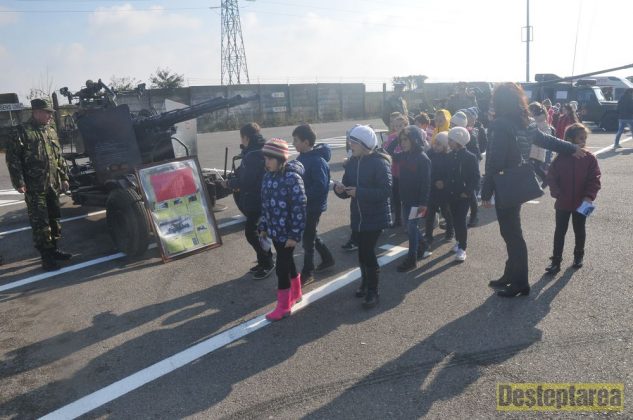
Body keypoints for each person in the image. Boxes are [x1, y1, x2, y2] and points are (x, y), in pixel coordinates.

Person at [481, 83, 586, 298]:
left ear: (500, 101)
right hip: (517, 181)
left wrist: (485, 192)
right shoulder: (525, 122)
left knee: (512, 234)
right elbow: (547, 140)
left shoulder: (499, 124)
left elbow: (494, 161)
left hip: (505, 183)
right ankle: (510, 274)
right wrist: (572, 147)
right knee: (512, 232)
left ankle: (520, 282)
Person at [5, 98, 72, 271]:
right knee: (40, 223)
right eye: (47, 113)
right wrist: (19, 182)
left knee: (54, 218)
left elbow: (58, 157)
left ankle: (54, 250)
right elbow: (13, 159)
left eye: (51, 113)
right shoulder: (21, 132)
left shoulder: (50, 130)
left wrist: (64, 177)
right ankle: (46, 258)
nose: (50, 116)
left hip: (52, 184)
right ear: (36, 112)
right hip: (34, 187)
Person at [334, 125, 392, 309]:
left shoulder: (379, 163)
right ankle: (365, 284)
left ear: (365, 144)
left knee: (367, 252)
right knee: (362, 253)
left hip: (375, 217)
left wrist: (359, 192)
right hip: (358, 216)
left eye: (353, 142)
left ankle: (373, 291)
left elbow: (386, 191)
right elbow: (347, 188)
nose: (350, 145)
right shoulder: (352, 162)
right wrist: (340, 190)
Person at [258, 139, 307, 321]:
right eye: (265, 158)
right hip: (275, 231)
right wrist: (263, 226)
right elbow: (265, 205)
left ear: (281, 159)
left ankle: (283, 306)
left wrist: (294, 235)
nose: (267, 162)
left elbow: (300, 207)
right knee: (287, 262)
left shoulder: (292, 178)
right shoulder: (268, 176)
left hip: (287, 233)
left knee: (281, 267)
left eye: (270, 159)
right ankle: (296, 292)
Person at [545, 123, 601, 274]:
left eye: (585, 138)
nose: (584, 141)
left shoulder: (590, 158)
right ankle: (556, 260)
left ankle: (578, 255)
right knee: (559, 231)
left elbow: (595, 179)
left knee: (580, 229)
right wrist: (557, 193)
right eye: (580, 138)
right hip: (562, 201)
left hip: (583, 202)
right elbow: (551, 177)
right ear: (569, 140)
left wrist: (589, 197)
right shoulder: (560, 158)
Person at [224, 122, 274, 280]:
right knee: (260, 231)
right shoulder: (262, 149)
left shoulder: (252, 155)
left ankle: (267, 263)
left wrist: (229, 183)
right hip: (263, 197)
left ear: (245, 137)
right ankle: (264, 260)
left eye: (242, 138)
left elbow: (246, 181)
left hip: (255, 198)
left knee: (251, 233)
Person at [292, 124, 335, 286]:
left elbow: (320, 186)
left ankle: (308, 272)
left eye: (296, 140)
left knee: (307, 240)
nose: (294, 143)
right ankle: (327, 258)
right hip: (304, 205)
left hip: (313, 206)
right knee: (311, 234)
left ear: (306, 142)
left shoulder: (317, 161)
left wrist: (302, 196)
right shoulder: (301, 157)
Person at [386, 126, 432, 272]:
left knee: (411, 228)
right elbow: (388, 152)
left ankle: (412, 259)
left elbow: (426, 184)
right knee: (410, 226)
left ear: (415, 139)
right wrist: (397, 137)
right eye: (401, 140)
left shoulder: (423, 159)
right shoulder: (403, 155)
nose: (403, 143)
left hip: (418, 202)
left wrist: (423, 203)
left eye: (406, 139)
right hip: (405, 199)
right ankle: (423, 244)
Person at [446, 127, 480, 262]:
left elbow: (475, 177)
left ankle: (462, 248)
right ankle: (458, 241)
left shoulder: (470, 157)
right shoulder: (449, 155)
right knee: (454, 219)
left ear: (458, 140)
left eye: (451, 140)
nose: (448, 142)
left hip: (464, 196)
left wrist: (468, 191)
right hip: (451, 194)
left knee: (460, 220)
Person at [451, 111, 481, 227]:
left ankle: (474, 216)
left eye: (454, 124)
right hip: (458, 166)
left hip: (468, 167)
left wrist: (470, 159)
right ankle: (452, 222)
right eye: (451, 124)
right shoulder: (453, 135)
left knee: (470, 193)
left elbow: (476, 153)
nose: (451, 126)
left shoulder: (469, 136)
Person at [424, 131, 454, 245]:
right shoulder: (429, 154)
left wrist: (444, 182)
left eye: (439, 144)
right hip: (432, 188)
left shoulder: (449, 156)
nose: (435, 146)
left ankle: (450, 231)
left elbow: (451, 174)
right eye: (435, 143)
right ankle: (428, 235)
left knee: (446, 212)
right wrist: (433, 181)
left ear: (446, 146)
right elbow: (426, 171)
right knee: (430, 214)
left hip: (444, 191)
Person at [383, 114, 408, 227]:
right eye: (396, 126)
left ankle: (409, 221)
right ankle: (398, 219)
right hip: (395, 171)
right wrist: (396, 139)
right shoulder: (392, 137)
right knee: (396, 197)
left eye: (401, 126)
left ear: (406, 126)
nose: (398, 128)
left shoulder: (409, 137)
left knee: (407, 198)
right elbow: (387, 151)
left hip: (406, 171)